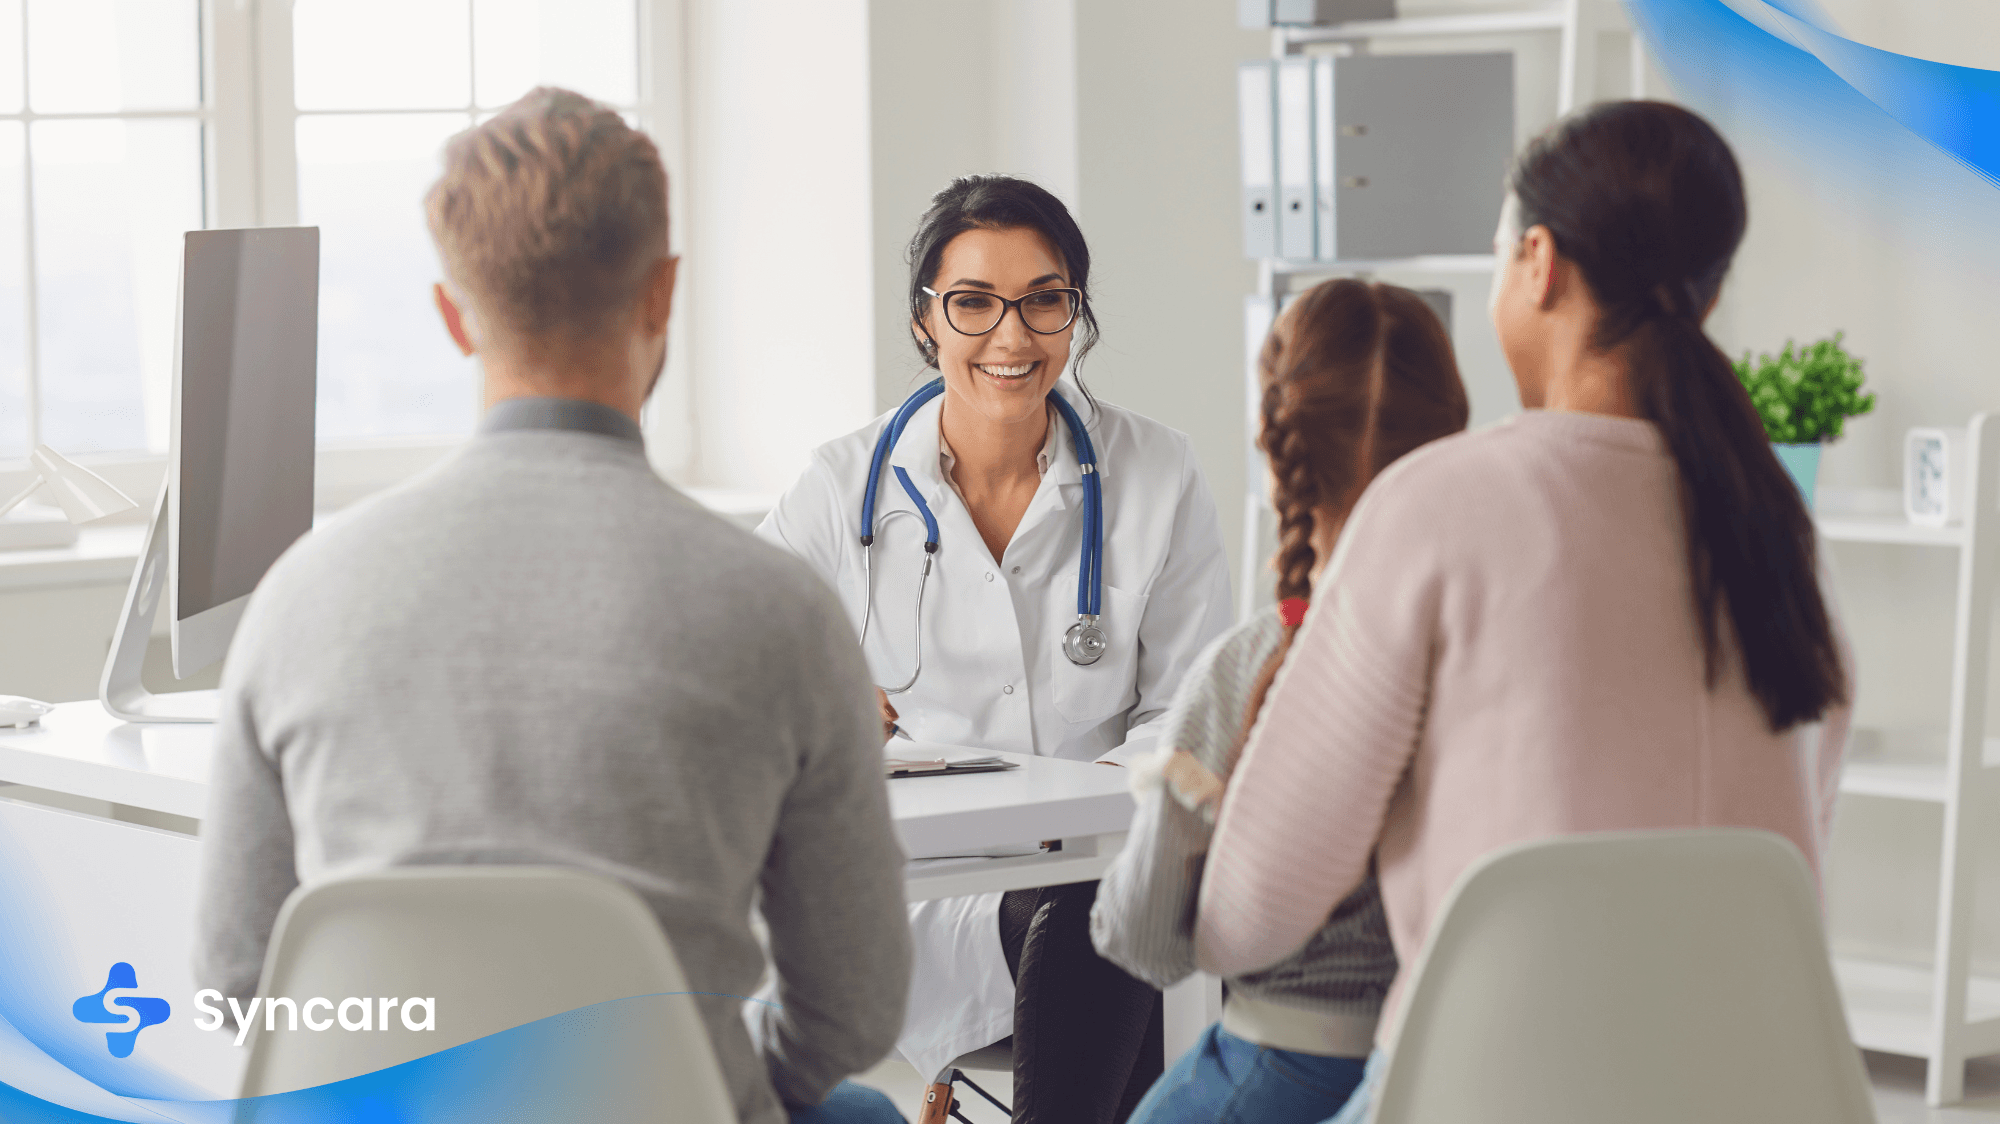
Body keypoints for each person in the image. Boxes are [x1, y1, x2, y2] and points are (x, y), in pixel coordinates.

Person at [192, 88, 911, 1124]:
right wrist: (719, 1093)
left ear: (452, 315)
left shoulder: (300, 594)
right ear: (662, 295)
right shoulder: (780, 610)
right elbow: (854, 1008)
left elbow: (234, 983)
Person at [1194, 100, 1854, 1123]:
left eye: (1501, 252)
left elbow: (1248, 912)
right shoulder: (1775, 531)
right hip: (1758, 1095)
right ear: (1707, 295)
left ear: (1537, 263)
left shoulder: (1434, 504)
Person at [757, 174, 1233, 1123]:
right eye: (973, 303)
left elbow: (1192, 711)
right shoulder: (839, 487)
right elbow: (733, 676)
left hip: (1109, 865)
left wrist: (1083, 814)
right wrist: (821, 702)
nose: (1012, 337)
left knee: (1112, 903)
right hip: (922, 897)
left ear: (1075, 314)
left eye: (1044, 301)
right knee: (1122, 926)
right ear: (926, 321)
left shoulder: (1158, 473)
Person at [1091, 278, 1468, 1124]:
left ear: (1272, 448)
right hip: (1450, 1071)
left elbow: (1144, 944)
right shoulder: (1490, 657)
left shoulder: (1252, 668)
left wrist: (1164, 797)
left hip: (1271, 1076)